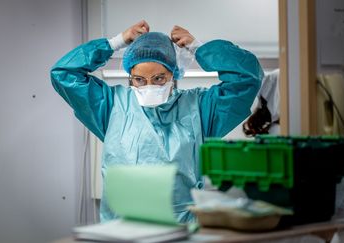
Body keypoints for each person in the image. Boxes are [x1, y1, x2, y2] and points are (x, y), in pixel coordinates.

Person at [50, 20, 263, 223]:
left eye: (159, 78)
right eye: (139, 80)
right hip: (121, 227)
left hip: (179, 227)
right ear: (130, 77)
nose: (149, 86)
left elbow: (247, 78)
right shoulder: (110, 106)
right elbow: (63, 74)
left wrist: (199, 48)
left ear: (174, 74)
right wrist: (116, 42)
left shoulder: (200, 109)